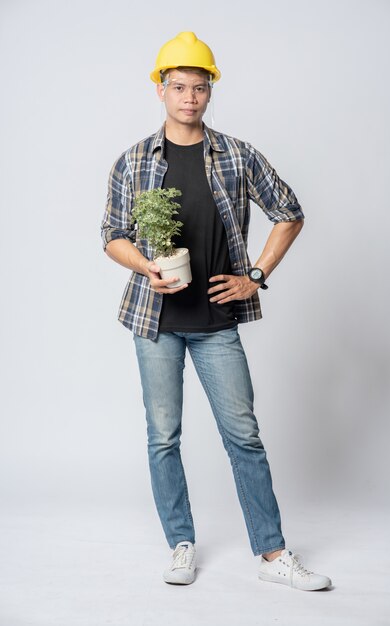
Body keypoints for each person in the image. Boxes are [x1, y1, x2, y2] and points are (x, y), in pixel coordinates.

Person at [101, 31, 332, 591]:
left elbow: (289, 211)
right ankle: (181, 544)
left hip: (215, 324)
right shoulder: (133, 161)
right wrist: (146, 267)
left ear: (210, 92)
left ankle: (273, 554)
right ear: (160, 90)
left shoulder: (236, 154)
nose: (189, 97)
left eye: (199, 88)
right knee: (163, 436)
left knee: (243, 436)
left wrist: (256, 275)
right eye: (178, 86)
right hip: (153, 322)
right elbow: (112, 236)